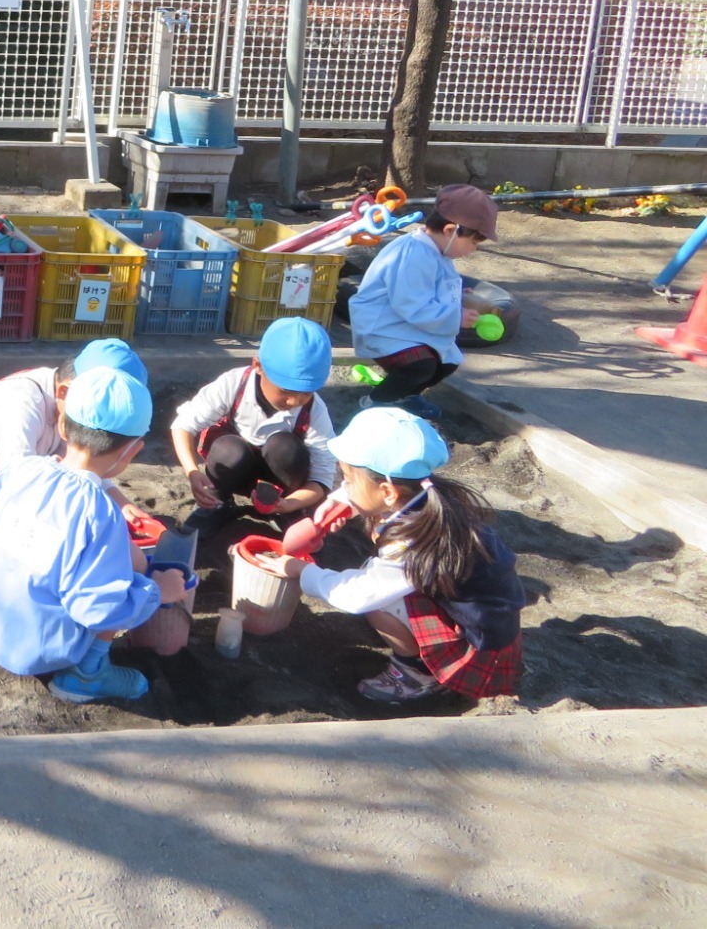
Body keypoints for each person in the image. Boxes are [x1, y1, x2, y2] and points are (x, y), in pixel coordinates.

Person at [0, 367, 188, 705]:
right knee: (127, 584)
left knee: (128, 562)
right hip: (34, 649)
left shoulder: (20, 471)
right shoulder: (98, 512)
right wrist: (157, 592)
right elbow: (100, 609)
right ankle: (87, 675)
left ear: (63, 425)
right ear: (130, 453)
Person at [264, 407, 524, 704]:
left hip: (481, 649)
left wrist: (301, 571)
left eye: (348, 478)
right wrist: (341, 501)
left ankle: (418, 673)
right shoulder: (429, 497)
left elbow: (357, 595)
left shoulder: (413, 542)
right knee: (375, 575)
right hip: (490, 620)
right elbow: (378, 496)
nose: (343, 485)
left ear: (387, 491)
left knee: (377, 601)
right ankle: (414, 641)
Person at [0, 337, 148, 529]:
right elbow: (16, 482)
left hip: (30, 460)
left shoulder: (73, 408)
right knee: (13, 528)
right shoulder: (22, 403)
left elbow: (86, 462)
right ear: (65, 390)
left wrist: (119, 501)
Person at [171, 315, 338, 536]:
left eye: (306, 393)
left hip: (282, 481)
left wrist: (292, 503)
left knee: (285, 447)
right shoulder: (234, 384)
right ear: (258, 366)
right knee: (228, 449)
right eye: (286, 391)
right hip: (235, 470)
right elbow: (183, 425)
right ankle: (217, 502)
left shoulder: (314, 410)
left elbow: (322, 477)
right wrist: (192, 471)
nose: (295, 402)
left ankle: (283, 513)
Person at [349, 183, 500, 419]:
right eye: (474, 242)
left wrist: (456, 295)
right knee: (420, 365)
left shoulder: (438, 252)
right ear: (450, 231)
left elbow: (428, 289)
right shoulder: (412, 254)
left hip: (405, 325)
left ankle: (405, 395)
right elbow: (411, 303)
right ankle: (375, 402)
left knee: (447, 361)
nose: (473, 250)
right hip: (382, 327)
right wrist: (456, 316)